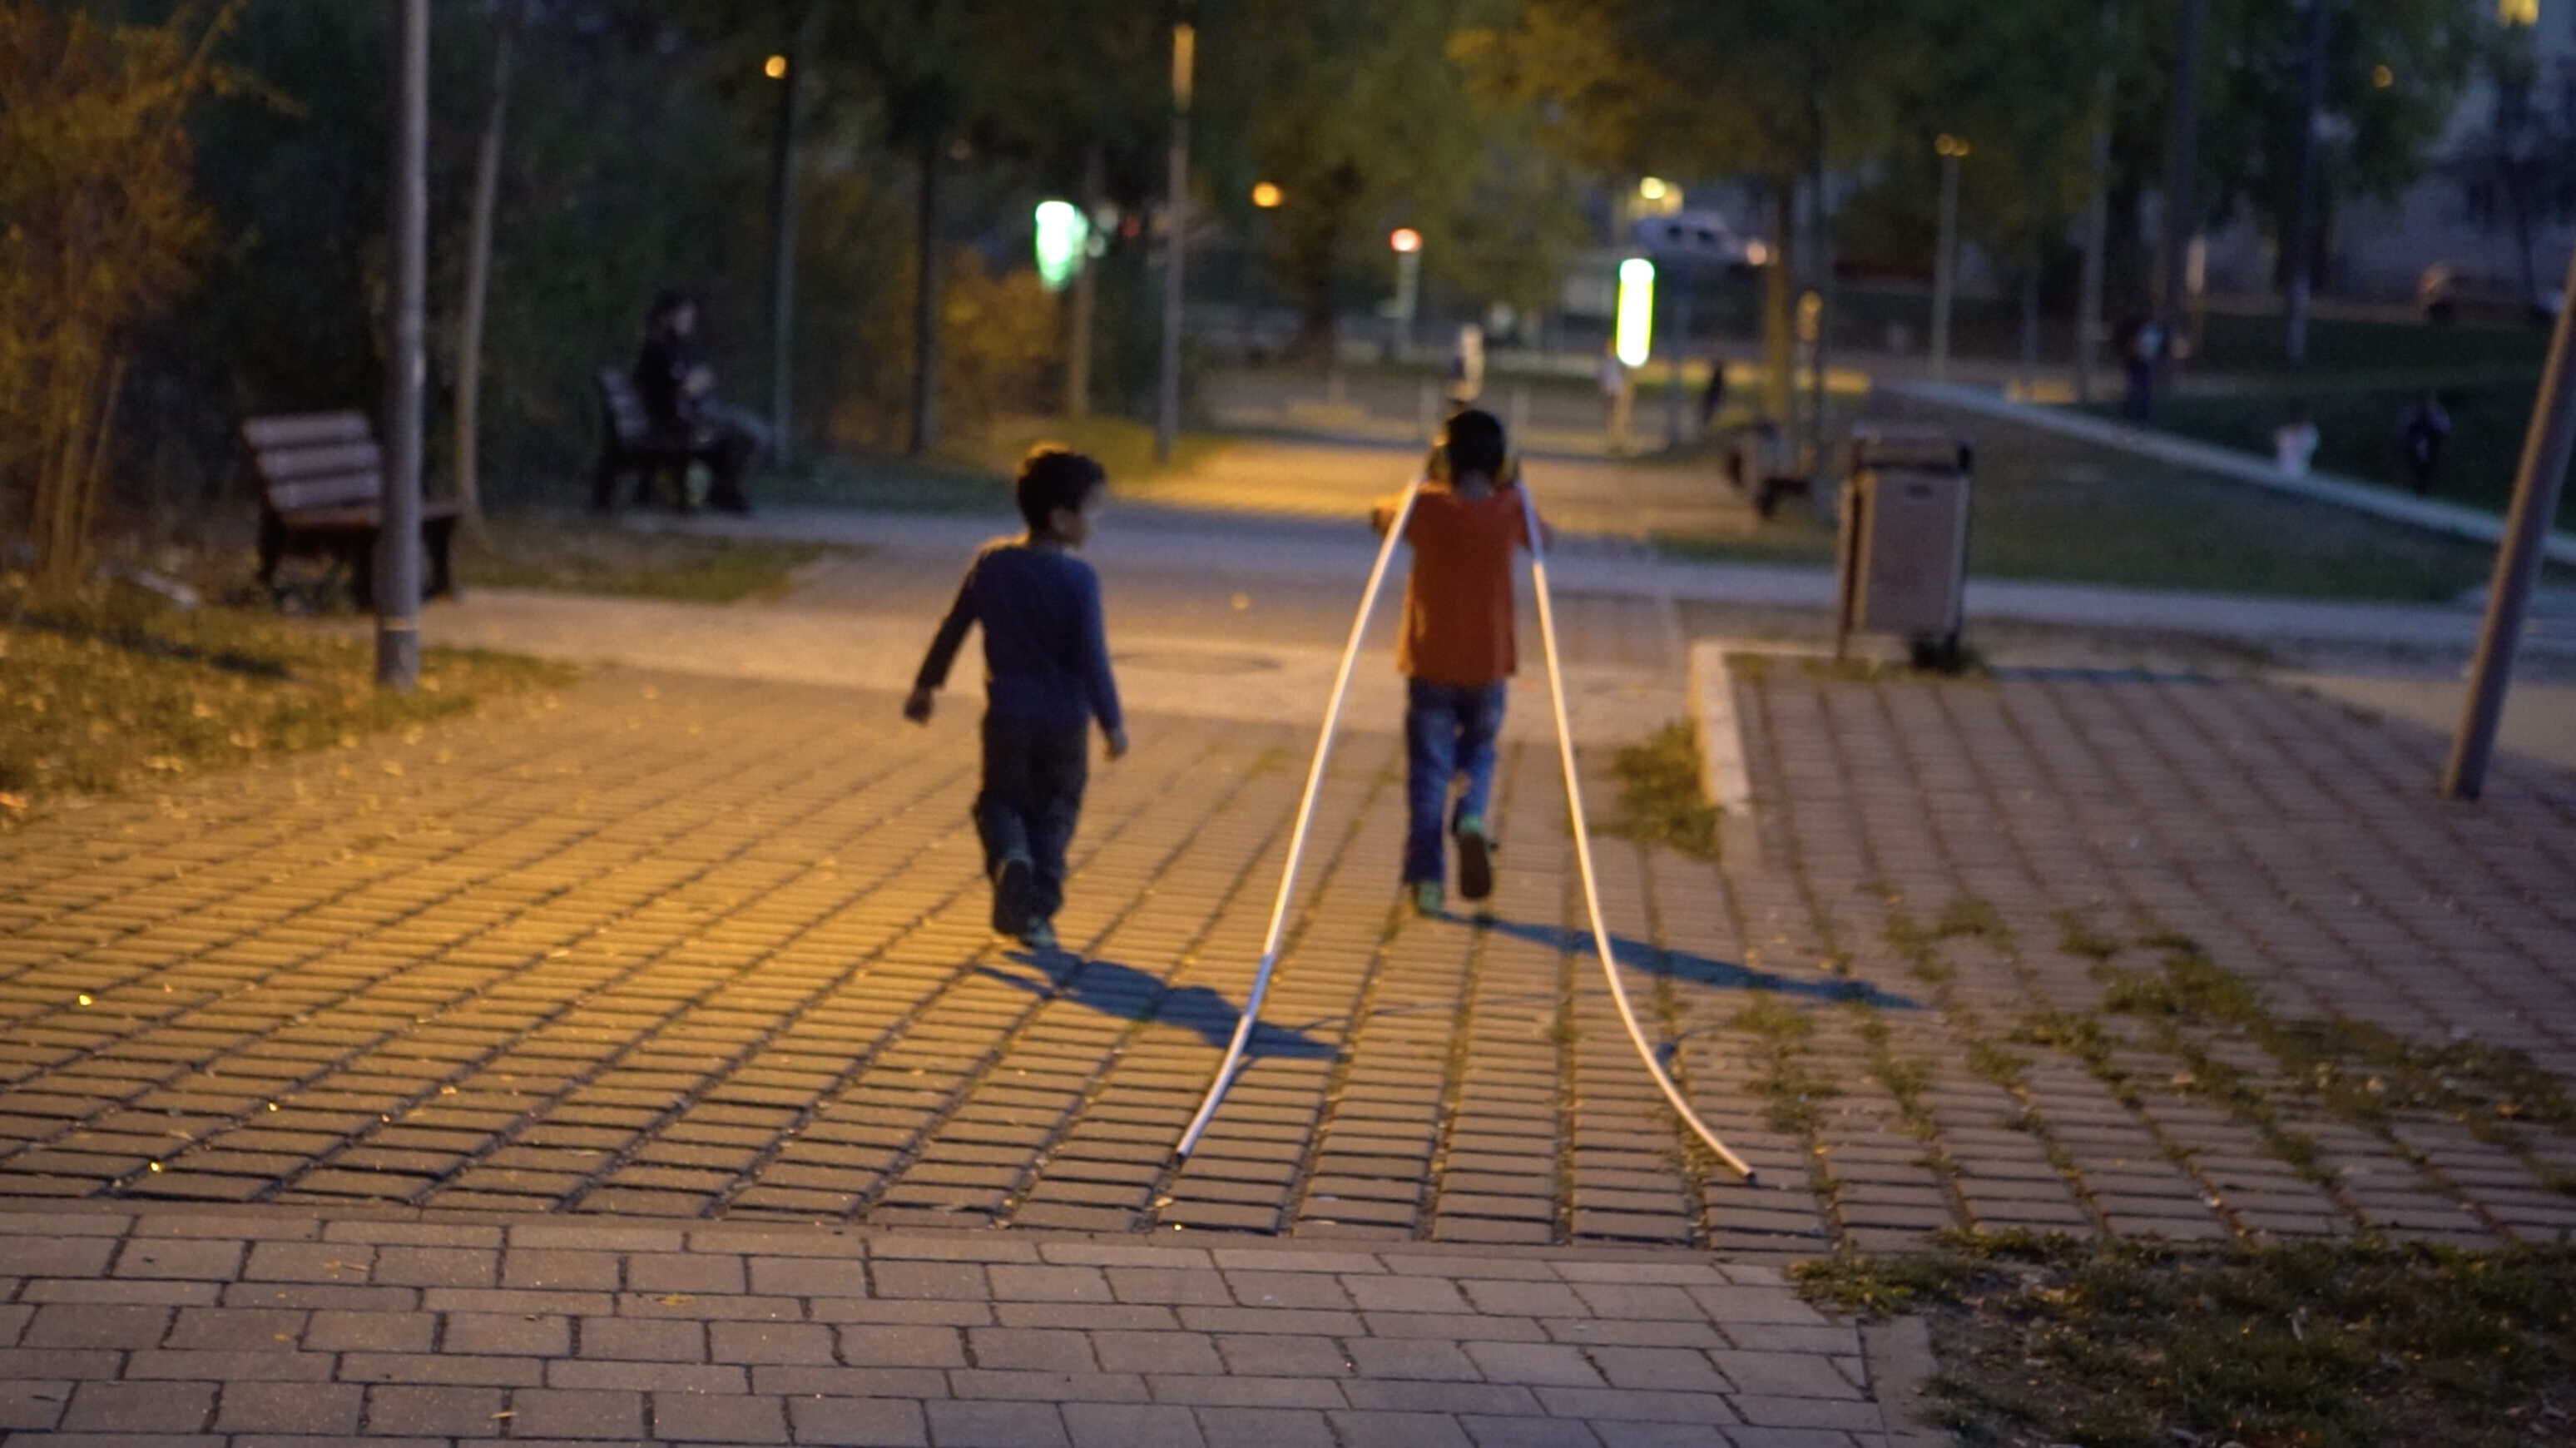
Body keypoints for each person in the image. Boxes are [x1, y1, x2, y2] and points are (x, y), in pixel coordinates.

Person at [905, 447, 1127, 952]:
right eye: (1091, 511)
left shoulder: (993, 564)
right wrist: (1112, 723)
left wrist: (926, 686)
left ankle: (1010, 857)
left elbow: (954, 627)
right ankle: (1037, 916)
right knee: (1056, 812)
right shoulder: (1079, 580)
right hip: (1066, 723)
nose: (1095, 523)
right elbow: (1093, 657)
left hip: (1007, 714)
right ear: (1061, 517)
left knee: (1001, 801)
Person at [1370, 409, 1548, 918]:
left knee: (1428, 772)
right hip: (1488, 667)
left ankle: (1426, 881)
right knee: (1480, 753)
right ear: (1501, 465)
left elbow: (1378, 518)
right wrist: (1519, 488)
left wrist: (1424, 479)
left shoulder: (1424, 508)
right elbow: (1544, 540)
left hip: (1431, 666)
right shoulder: (1511, 509)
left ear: (1444, 459)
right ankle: (1471, 816)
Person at [617, 289, 761, 514]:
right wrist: (694, 384)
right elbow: (679, 390)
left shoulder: (677, 347)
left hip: (684, 421)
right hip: (669, 427)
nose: (688, 322)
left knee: (747, 433)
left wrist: (696, 383)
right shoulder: (657, 349)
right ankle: (722, 490)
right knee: (742, 434)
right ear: (666, 316)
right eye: (684, 317)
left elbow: (699, 379)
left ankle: (723, 489)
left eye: (689, 317)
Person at [2400, 392, 2453, 496]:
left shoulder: (2439, 413)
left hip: (2432, 445)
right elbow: (2407, 426)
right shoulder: (2416, 411)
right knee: (2415, 465)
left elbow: (2444, 429)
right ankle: (2415, 486)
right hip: (2416, 442)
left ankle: (2424, 488)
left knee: (2429, 467)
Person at [1599, 346, 1633, 454]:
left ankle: (1619, 443)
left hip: (1617, 393)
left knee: (1619, 419)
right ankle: (1612, 443)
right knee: (1610, 420)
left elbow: (1627, 378)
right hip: (1609, 393)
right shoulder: (1605, 364)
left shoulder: (1619, 363)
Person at [2272, 409, 2320, 479]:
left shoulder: (2310, 434)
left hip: (2300, 475)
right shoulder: (2284, 433)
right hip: (2280, 472)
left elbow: (2312, 446)